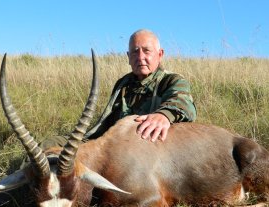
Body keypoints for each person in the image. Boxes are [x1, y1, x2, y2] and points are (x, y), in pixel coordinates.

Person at [39, 29, 196, 151]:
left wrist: (163, 115)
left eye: (146, 51)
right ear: (128, 56)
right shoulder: (123, 83)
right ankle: (25, 186)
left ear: (160, 54)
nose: (140, 57)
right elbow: (107, 125)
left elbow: (184, 103)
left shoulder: (171, 80)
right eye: (135, 51)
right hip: (110, 143)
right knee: (50, 144)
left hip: (147, 150)